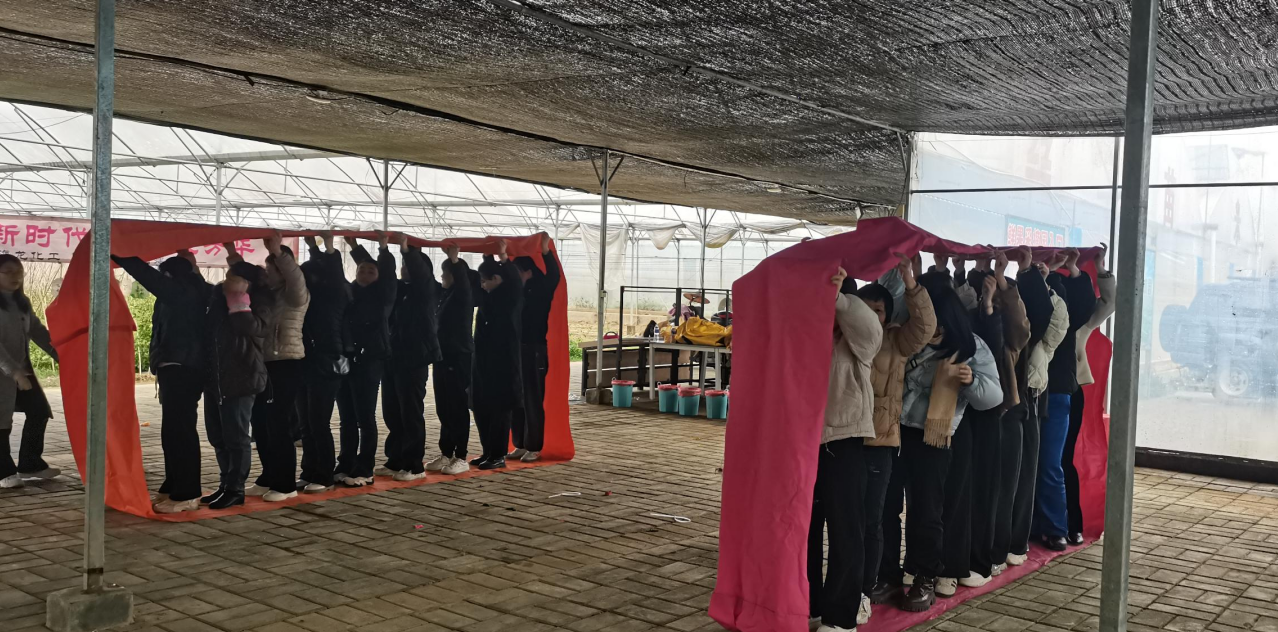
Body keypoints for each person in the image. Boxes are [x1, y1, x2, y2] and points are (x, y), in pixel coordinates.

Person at [880, 273, 1002, 613]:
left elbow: (994, 396)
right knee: (886, 505)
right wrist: (902, 274)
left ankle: (924, 577)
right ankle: (886, 573)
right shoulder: (907, 335)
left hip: (932, 437)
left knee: (927, 510)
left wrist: (972, 380)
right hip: (892, 430)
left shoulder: (970, 346)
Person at [858, 254, 936, 626]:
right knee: (852, 519)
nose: (871, 316)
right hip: (844, 442)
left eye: (878, 310)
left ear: (888, 316)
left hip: (880, 443)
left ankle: (881, 579)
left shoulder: (895, 341)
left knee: (879, 516)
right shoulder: (845, 337)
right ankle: (865, 579)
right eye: (865, 309)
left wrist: (911, 283)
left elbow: (925, 327)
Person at [807, 266, 881, 632]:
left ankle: (840, 617)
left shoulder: (855, 339)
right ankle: (809, 603)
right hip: (804, 442)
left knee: (845, 530)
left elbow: (872, 332)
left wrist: (839, 298)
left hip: (843, 439)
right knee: (805, 528)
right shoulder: (808, 332)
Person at [112, 249, 211, 513]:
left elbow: (147, 276)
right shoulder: (194, 289)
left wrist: (121, 254)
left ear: (169, 276)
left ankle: (187, 493)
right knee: (173, 431)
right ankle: (173, 485)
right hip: (176, 368)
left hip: (182, 369)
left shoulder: (181, 292)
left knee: (181, 431)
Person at [234, 233, 310, 503]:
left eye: (272, 269)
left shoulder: (295, 295)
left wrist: (278, 252)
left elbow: (295, 277)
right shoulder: (268, 295)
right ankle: (269, 476)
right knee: (261, 423)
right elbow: (245, 274)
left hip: (287, 363)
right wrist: (231, 251)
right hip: (264, 363)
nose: (267, 274)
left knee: (279, 424)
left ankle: (285, 484)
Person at [1035, 248, 1096, 551]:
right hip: (1033, 390)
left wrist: (1073, 270)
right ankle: (1042, 527)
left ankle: (1058, 527)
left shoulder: (1068, 311)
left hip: (1058, 390)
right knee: (1037, 464)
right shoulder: (1029, 304)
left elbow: (1089, 306)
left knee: (1052, 462)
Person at [200, 263, 268, 510]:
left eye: (234, 278)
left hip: (242, 376)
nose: (227, 282)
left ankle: (235, 489)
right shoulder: (217, 299)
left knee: (236, 437)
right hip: (216, 377)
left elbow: (248, 328)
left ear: (248, 283)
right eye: (227, 277)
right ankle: (225, 483)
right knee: (217, 436)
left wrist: (238, 299)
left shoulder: (261, 301)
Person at [378, 233, 441, 481]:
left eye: (407, 265)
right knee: (392, 411)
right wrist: (383, 251)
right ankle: (396, 459)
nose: (403, 269)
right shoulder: (401, 290)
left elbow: (421, 274)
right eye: (402, 265)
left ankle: (414, 465)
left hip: (414, 359)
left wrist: (408, 251)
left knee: (410, 412)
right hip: (393, 357)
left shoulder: (426, 290)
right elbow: (385, 278)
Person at [1063, 247, 1115, 545]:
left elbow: (1109, 302)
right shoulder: (1041, 311)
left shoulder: (1083, 322)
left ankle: (1073, 525)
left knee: (1063, 459)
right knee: (1044, 462)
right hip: (1038, 392)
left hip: (1070, 393)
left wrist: (1100, 268)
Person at [336, 234, 396, 487]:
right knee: (346, 416)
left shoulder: (383, 295)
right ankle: (345, 463)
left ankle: (365, 468)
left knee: (365, 417)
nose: (365, 273)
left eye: (371, 271)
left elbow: (388, 272)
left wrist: (382, 248)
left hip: (370, 360)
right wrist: (352, 246)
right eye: (361, 269)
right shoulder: (349, 292)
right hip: (346, 360)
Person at [297, 232, 351, 493]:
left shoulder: (334, 295)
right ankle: (309, 471)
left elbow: (334, 274)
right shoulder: (306, 300)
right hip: (306, 362)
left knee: (318, 422)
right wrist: (312, 248)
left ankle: (324, 474)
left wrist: (329, 248)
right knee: (306, 423)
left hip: (327, 363)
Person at [0, 255, 60, 489]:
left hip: (21, 370)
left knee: (39, 411)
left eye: (18, 271)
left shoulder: (21, 302)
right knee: (1, 422)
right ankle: (4, 472)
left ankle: (30, 463)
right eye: (8, 271)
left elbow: (38, 331)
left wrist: (62, 356)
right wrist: (14, 372)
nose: (15, 276)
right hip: (6, 372)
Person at [471, 240, 524, 470]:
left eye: (485, 281)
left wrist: (503, 258)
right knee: (482, 407)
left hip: (503, 362)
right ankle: (487, 451)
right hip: (482, 361)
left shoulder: (511, 296)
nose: (482, 285)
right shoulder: (488, 297)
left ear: (496, 279)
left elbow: (513, 281)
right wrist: (487, 257)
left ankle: (498, 455)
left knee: (500, 409)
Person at [509, 234, 559, 463]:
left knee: (531, 398)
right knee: (517, 396)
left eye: (516, 273)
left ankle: (534, 445)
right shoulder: (517, 292)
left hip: (535, 349)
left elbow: (554, 275)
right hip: (517, 348)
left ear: (527, 272)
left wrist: (546, 251)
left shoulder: (542, 288)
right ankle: (519, 443)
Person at [427, 244, 474, 476]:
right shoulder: (443, 295)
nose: (441, 278)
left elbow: (464, 284)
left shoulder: (463, 296)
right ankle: (446, 452)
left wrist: (454, 260)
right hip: (442, 357)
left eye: (445, 274)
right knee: (443, 407)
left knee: (457, 407)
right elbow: (425, 279)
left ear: (455, 276)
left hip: (459, 357)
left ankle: (461, 456)